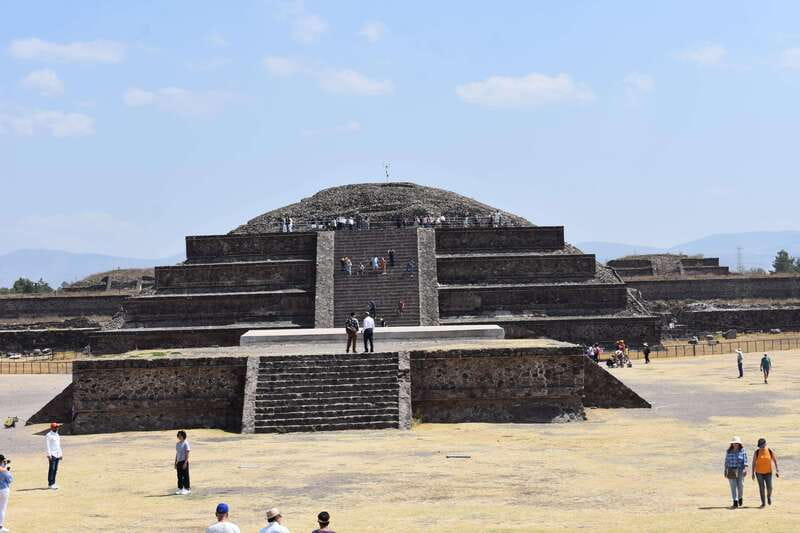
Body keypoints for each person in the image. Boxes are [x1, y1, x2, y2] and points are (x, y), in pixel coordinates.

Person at [751, 438, 779, 507]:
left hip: (768, 472)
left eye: (762, 445)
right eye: (760, 446)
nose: (761, 447)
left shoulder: (769, 451)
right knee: (761, 488)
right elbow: (754, 462)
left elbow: (775, 460)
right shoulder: (757, 452)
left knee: (770, 487)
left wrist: (777, 470)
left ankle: (768, 496)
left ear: (765, 444)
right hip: (759, 473)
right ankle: (763, 503)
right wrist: (752, 473)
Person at [724, 436, 748, 508]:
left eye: (737, 443)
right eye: (734, 443)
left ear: (739, 443)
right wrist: (725, 470)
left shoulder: (743, 450)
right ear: (732, 444)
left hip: (740, 470)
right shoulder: (728, 451)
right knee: (733, 486)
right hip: (731, 470)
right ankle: (735, 501)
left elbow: (745, 460)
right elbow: (726, 461)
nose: (735, 444)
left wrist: (745, 469)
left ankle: (740, 497)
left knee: (741, 485)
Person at [46, 421, 62, 490]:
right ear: (52, 428)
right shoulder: (48, 435)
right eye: (56, 427)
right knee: (51, 469)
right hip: (52, 454)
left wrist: (61, 454)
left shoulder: (57, 435)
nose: (57, 428)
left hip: (57, 454)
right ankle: (50, 484)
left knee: (55, 469)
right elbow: (47, 446)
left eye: (57, 427)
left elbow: (58, 445)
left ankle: (53, 483)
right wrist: (49, 455)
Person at [174, 430, 191, 495]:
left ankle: (187, 488)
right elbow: (177, 454)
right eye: (178, 435)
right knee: (179, 476)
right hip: (179, 462)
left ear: (183, 436)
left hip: (184, 461)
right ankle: (180, 488)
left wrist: (185, 463)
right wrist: (175, 463)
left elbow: (187, 453)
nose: (179, 436)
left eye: (180, 435)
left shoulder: (186, 443)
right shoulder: (177, 444)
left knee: (185, 475)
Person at [0, 455, 12, 533]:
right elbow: (10, 480)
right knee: (2, 509)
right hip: (3, 490)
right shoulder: (3, 470)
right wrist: (7, 470)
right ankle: (0, 527)